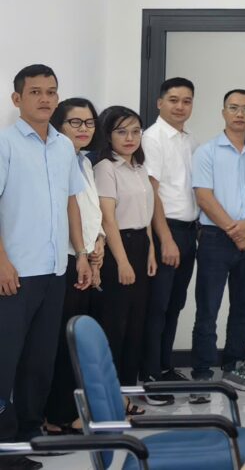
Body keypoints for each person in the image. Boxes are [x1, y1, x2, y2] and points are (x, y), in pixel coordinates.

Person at [0, 65, 89, 470]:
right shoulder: (5, 143)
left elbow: (72, 201)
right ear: (17, 99)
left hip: (54, 270)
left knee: (39, 361)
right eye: (35, 92)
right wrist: (2, 262)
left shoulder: (63, 146)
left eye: (51, 91)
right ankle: (5, 446)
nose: (45, 99)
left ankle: (29, 434)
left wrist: (80, 253)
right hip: (15, 272)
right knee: (6, 360)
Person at [190, 90, 245, 395]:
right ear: (223, 112)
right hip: (214, 239)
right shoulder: (206, 151)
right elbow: (204, 197)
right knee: (208, 308)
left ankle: (234, 365)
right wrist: (236, 231)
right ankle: (202, 373)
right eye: (233, 108)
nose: (239, 114)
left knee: (244, 306)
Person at [43, 98, 105, 435]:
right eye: (75, 122)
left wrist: (99, 243)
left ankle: (69, 411)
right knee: (62, 341)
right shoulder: (58, 160)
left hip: (85, 257)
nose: (84, 129)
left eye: (89, 122)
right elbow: (67, 214)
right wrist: (83, 252)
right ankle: (57, 416)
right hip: (67, 260)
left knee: (78, 341)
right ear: (58, 124)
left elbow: (91, 210)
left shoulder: (84, 161)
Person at [93, 106, 156, 415]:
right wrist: (122, 262)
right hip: (120, 247)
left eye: (135, 131)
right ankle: (112, 398)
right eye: (121, 131)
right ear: (108, 135)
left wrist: (151, 250)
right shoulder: (105, 167)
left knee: (136, 324)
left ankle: (127, 393)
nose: (130, 138)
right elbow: (108, 219)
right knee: (115, 325)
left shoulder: (139, 167)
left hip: (141, 244)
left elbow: (146, 214)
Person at [141, 77, 199, 402]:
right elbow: (152, 191)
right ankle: (150, 376)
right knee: (158, 306)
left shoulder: (189, 140)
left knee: (175, 304)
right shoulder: (152, 138)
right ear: (160, 103)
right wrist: (165, 239)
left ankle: (164, 367)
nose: (180, 106)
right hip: (168, 231)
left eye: (187, 101)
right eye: (174, 100)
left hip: (189, 231)